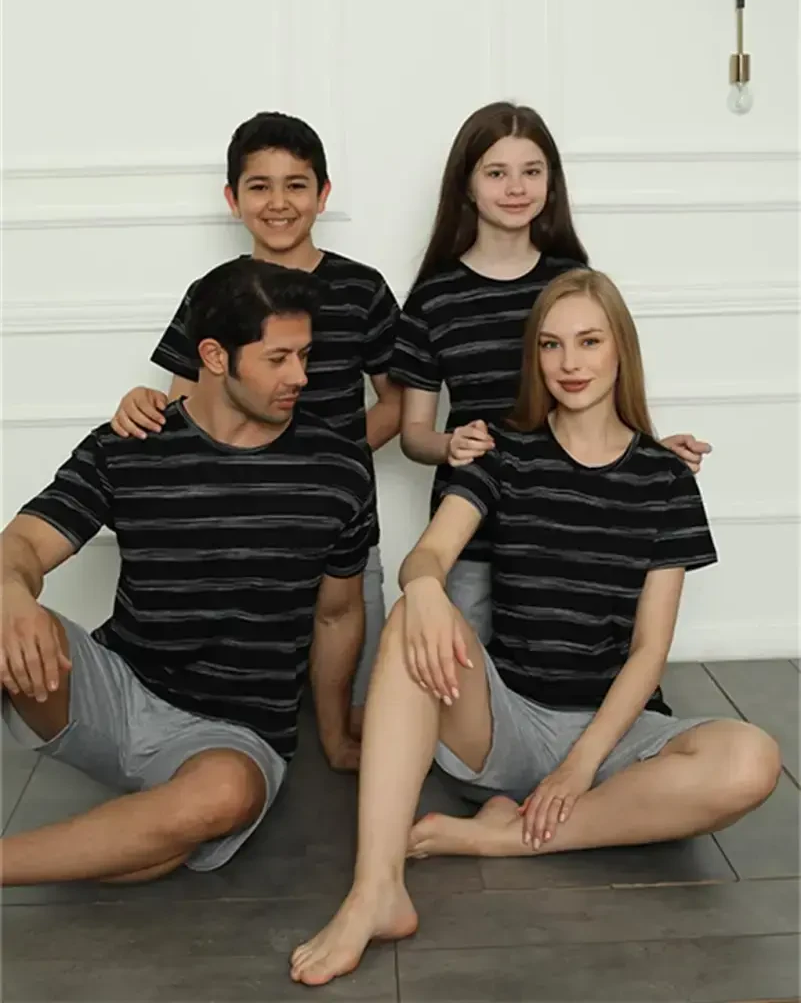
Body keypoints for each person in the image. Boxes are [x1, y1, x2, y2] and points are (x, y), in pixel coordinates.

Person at [289, 267, 781, 987]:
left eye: (588, 341)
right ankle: (376, 891)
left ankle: (504, 839)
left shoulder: (664, 480)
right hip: (507, 723)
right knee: (411, 619)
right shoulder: (504, 454)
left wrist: (579, 767)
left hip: (612, 736)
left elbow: (649, 651)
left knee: (752, 759)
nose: (569, 362)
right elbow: (428, 555)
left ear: (620, 349)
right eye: (551, 345)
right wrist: (424, 589)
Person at [0, 258, 376, 886]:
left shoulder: (338, 469)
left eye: (305, 356)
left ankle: (124, 836)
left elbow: (337, 614)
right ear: (215, 356)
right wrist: (10, 593)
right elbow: (22, 544)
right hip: (115, 690)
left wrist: (335, 739)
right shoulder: (130, 444)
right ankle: (140, 834)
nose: (300, 377)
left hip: (233, 736)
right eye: (278, 358)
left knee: (220, 798)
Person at [108, 112, 401, 734]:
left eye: (296, 184)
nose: (278, 202)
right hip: (234, 530)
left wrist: (329, 469)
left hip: (336, 533)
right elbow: (184, 406)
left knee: (361, 709)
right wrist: (140, 400)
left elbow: (395, 403)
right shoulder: (211, 293)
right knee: (230, 700)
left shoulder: (363, 289)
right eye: (259, 186)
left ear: (323, 193)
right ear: (232, 198)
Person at [390, 100, 711, 645]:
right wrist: (449, 445)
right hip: (471, 530)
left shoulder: (574, 281)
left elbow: (601, 398)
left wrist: (653, 456)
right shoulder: (433, 298)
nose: (516, 188)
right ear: (467, 186)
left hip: (564, 528)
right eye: (496, 173)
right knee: (456, 669)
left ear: (551, 182)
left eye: (531, 171)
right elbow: (413, 435)